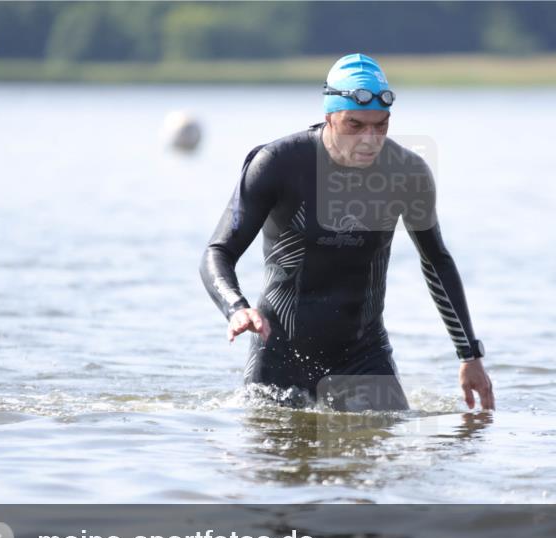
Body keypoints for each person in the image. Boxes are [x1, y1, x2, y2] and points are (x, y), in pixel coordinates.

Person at [201, 53, 494, 410]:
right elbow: (218, 252)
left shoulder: (407, 173)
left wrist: (469, 355)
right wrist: (236, 308)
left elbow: (436, 261)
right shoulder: (278, 164)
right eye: (354, 125)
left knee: (391, 441)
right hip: (279, 352)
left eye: (380, 125)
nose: (369, 139)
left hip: (364, 355)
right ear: (329, 117)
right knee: (275, 444)